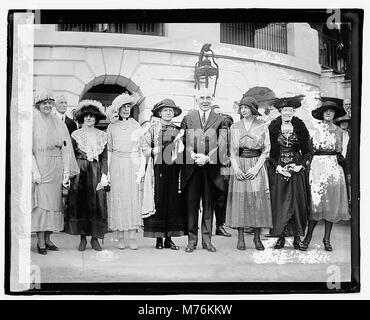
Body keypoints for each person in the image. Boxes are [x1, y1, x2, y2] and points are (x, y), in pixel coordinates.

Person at [32, 90, 79, 255]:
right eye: (44, 103)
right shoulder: (33, 122)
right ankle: (40, 242)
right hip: (41, 166)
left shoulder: (59, 123)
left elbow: (66, 149)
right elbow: (28, 150)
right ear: (38, 105)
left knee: (55, 205)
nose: (47, 106)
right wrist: (34, 171)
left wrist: (66, 171)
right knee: (42, 206)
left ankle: (48, 239)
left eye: (50, 103)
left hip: (56, 167)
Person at [180, 87, 227, 253]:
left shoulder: (220, 119)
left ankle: (207, 241)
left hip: (211, 169)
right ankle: (192, 241)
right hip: (192, 168)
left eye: (208, 97)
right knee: (191, 205)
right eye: (202, 98)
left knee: (209, 205)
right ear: (196, 99)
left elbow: (222, 143)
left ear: (212, 99)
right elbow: (183, 141)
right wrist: (192, 155)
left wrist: (207, 157)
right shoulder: (188, 118)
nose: (205, 101)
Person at [302, 100, 350, 251]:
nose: (328, 113)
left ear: (335, 114)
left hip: (333, 166)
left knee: (331, 204)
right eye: (326, 111)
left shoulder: (339, 131)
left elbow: (341, 152)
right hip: (317, 165)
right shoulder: (314, 129)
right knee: (316, 203)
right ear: (322, 114)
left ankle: (327, 239)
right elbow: (309, 150)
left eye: (332, 111)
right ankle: (307, 238)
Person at [225, 96, 272, 250]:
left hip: (256, 164)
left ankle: (257, 238)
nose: (243, 110)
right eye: (242, 108)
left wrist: (256, 168)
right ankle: (240, 238)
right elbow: (232, 151)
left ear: (252, 109)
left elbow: (266, 150)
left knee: (257, 201)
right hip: (240, 164)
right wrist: (236, 169)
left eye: (246, 107)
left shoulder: (262, 125)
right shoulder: (235, 127)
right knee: (240, 201)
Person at [267, 95, 312, 251]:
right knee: (279, 202)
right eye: (284, 110)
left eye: (289, 110)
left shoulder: (300, 127)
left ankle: (298, 238)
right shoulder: (273, 127)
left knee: (297, 203)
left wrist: (299, 166)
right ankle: (280, 237)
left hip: (296, 167)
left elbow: (307, 151)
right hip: (279, 167)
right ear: (280, 111)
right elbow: (270, 151)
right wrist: (277, 166)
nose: (287, 113)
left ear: (293, 111)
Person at [141, 99, 187, 249]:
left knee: (172, 203)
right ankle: (159, 239)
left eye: (171, 111)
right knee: (159, 202)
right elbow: (144, 148)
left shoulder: (178, 130)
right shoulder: (152, 129)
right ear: (160, 113)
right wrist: (158, 149)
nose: (168, 113)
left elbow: (182, 152)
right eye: (165, 110)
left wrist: (179, 149)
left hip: (173, 170)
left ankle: (169, 239)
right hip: (158, 169)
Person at [64, 99, 109, 251]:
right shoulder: (76, 135)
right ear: (82, 118)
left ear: (96, 118)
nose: (89, 118)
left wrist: (104, 174)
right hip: (80, 170)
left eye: (92, 116)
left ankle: (95, 238)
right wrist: (69, 174)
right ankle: (83, 238)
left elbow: (104, 157)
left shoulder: (102, 135)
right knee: (80, 203)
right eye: (86, 116)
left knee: (98, 204)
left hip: (96, 171)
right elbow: (70, 156)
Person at [106, 92, 142, 249]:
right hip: (116, 162)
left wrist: (140, 169)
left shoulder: (136, 125)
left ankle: (132, 236)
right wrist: (107, 172)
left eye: (128, 106)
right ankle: (120, 236)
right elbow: (109, 149)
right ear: (118, 109)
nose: (126, 110)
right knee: (119, 197)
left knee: (132, 198)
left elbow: (140, 149)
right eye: (123, 107)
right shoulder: (111, 126)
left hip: (132, 162)